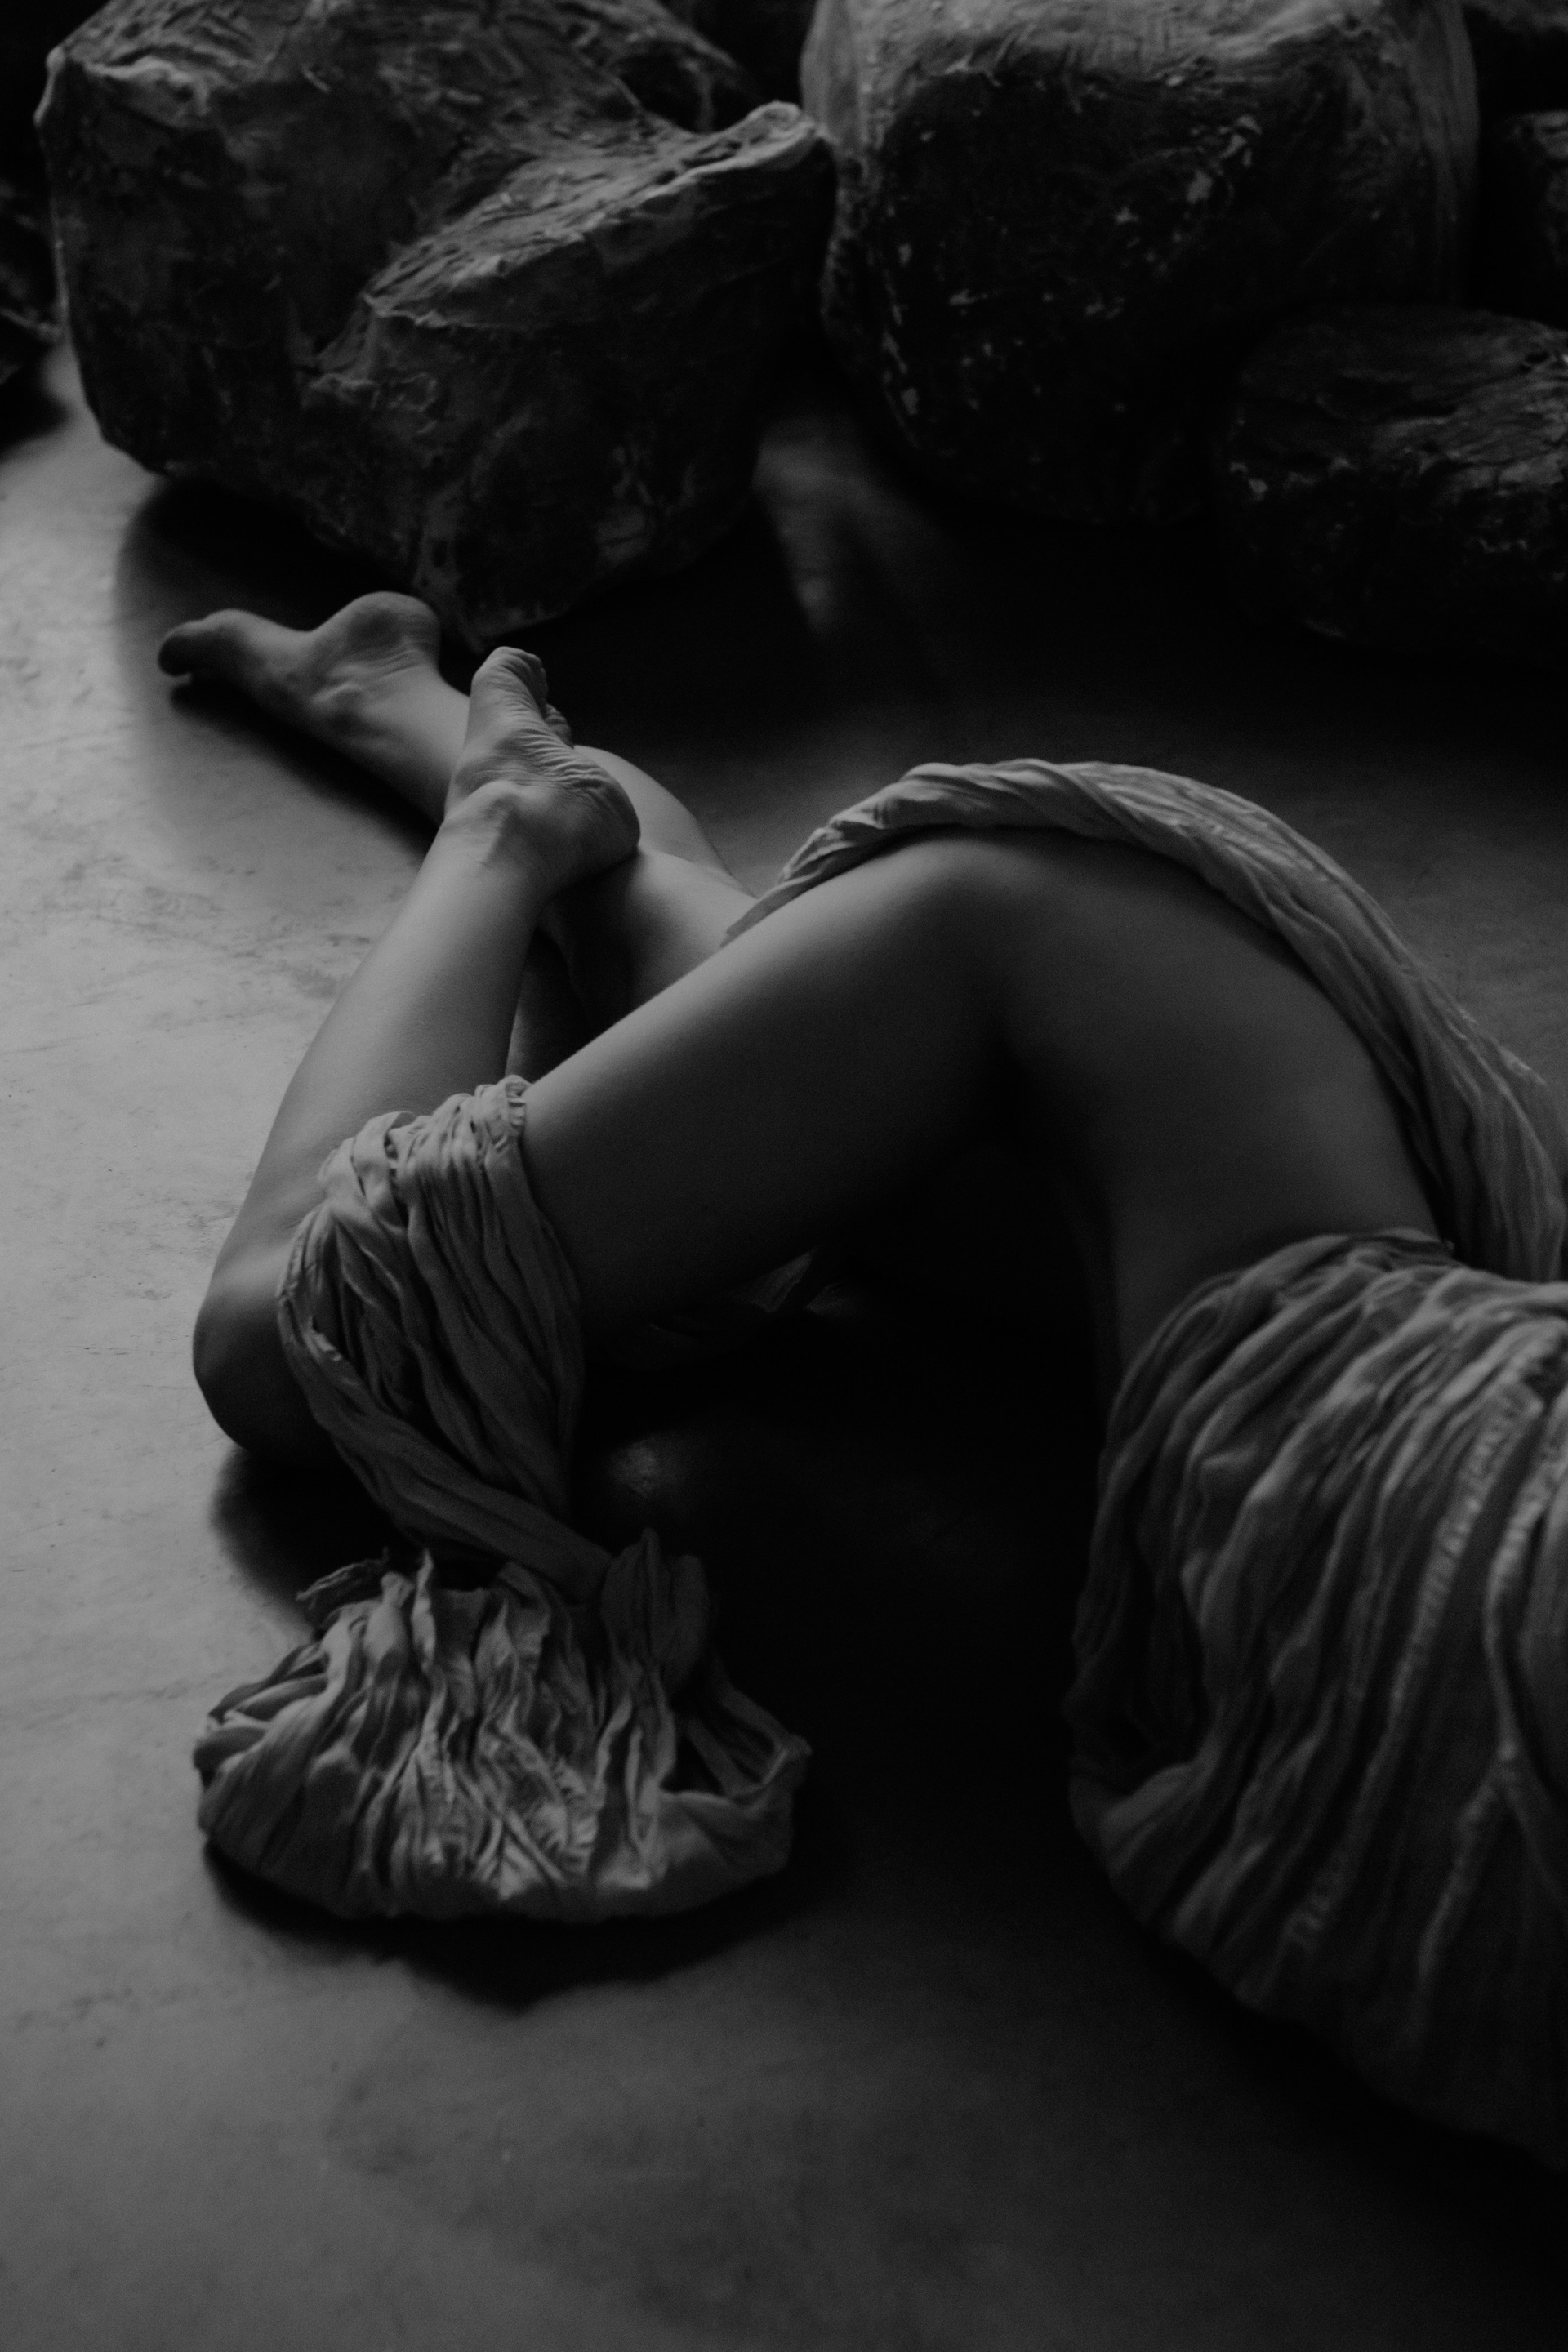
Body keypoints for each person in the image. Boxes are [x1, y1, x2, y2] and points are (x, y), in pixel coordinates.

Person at [161, 593, 1568, 2166]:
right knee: (289, 1343)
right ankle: (497, 820)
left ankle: (465, 754)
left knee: (813, 1075)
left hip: (1380, 1285)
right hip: (1080, 952)